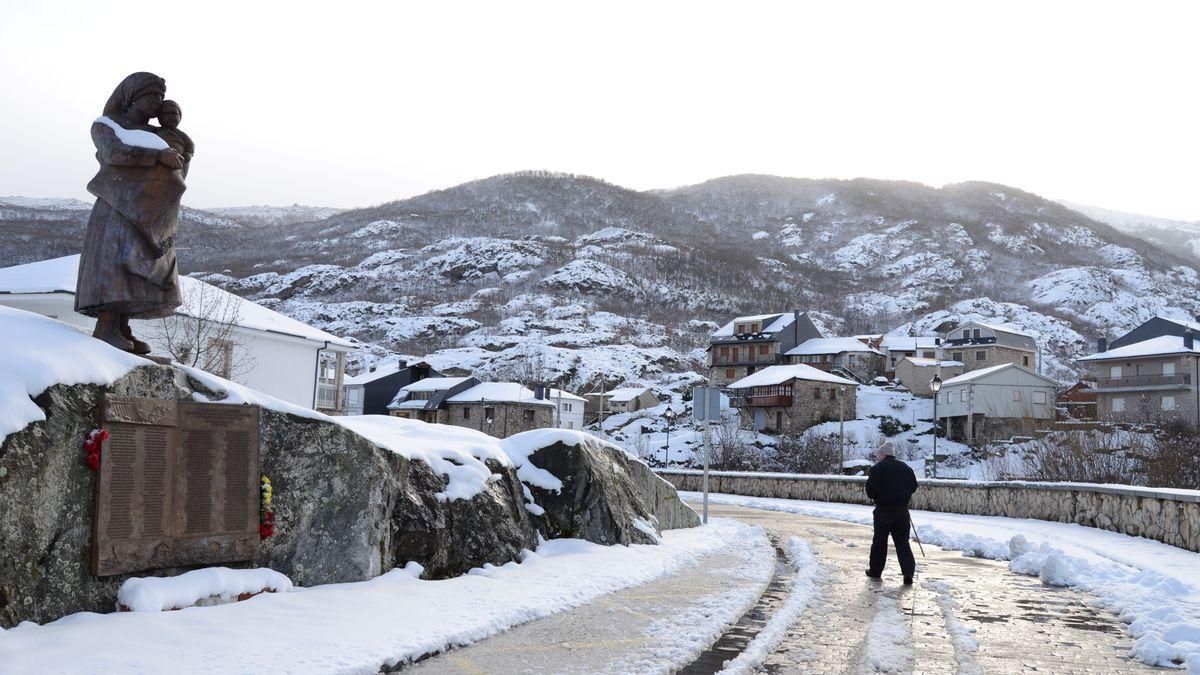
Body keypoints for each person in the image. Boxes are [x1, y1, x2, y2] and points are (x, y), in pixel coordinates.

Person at [75, 72, 187, 354]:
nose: (157, 104)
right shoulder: (105, 125)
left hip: (149, 214)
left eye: (161, 98)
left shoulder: (157, 134)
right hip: (116, 208)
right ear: (133, 97)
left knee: (139, 267)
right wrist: (157, 157)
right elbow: (115, 153)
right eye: (153, 97)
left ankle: (122, 326)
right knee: (116, 264)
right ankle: (107, 324)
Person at [864, 440, 919, 584]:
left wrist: (879, 495)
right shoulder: (906, 468)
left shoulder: (877, 469)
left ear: (884, 454)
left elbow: (871, 491)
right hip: (902, 511)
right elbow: (913, 486)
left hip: (883, 510)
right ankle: (908, 572)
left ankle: (875, 571)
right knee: (902, 542)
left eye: (878, 454)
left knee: (879, 542)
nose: (877, 457)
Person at [155, 100, 194, 178]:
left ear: (180, 116)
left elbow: (190, 144)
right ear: (159, 117)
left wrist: (189, 153)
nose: (170, 116)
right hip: (160, 161)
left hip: (178, 162)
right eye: (165, 114)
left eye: (174, 113)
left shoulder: (180, 134)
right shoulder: (156, 131)